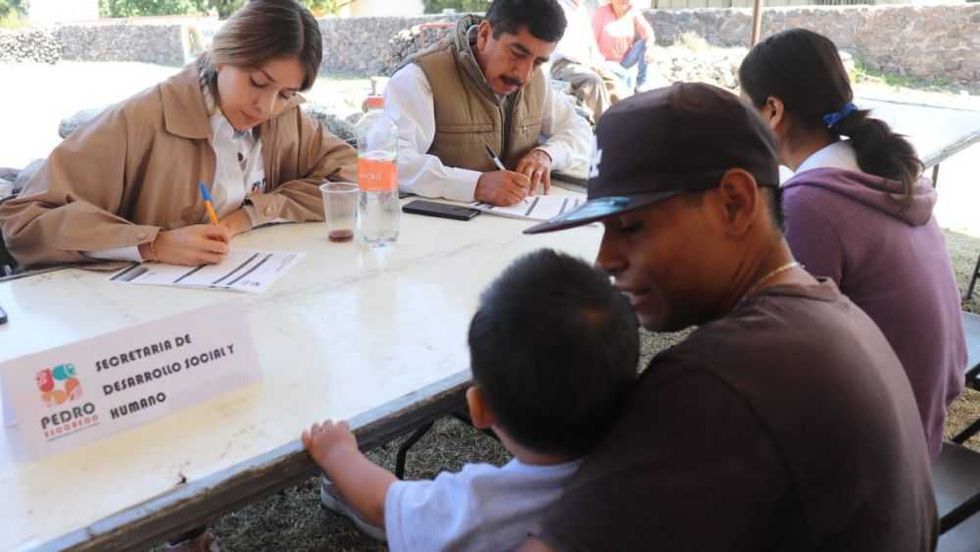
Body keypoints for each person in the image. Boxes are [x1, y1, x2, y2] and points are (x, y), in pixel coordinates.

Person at [518, 83, 937, 550]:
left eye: (632, 226)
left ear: (734, 203)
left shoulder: (725, 379)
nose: (605, 259)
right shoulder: (831, 313)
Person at [302, 248, 639, 551]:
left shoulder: (482, 506)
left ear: (479, 407)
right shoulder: (644, 456)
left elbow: (383, 504)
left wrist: (338, 453)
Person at [738, 28, 966, 460]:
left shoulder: (812, 205)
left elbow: (781, 355)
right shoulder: (884, 175)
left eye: (743, 105)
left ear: (772, 110)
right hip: (919, 428)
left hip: (873, 455)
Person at [0, 0, 357, 269]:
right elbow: (25, 219)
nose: (265, 106)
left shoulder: (286, 119)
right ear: (221, 56)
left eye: (285, 93)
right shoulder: (138, 120)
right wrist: (152, 244)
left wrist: (250, 215)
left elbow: (353, 173)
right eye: (257, 82)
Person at [384, 0, 592, 206]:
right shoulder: (422, 77)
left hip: (517, 220)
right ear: (484, 34)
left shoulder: (537, 81)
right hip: (443, 229)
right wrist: (475, 185)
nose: (524, 75)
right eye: (517, 54)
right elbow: (392, 161)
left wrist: (546, 154)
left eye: (538, 62)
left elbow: (579, 130)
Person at [592, 0, 655, 92]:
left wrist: (650, 48)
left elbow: (648, 32)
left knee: (645, 44)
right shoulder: (601, 12)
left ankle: (641, 84)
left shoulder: (632, 12)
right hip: (605, 62)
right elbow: (591, 41)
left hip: (625, 60)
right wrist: (597, 62)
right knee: (626, 76)